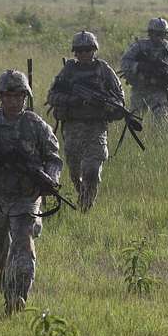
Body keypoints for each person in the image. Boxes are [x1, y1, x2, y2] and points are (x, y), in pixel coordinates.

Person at [0, 70, 62, 315]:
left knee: (24, 247)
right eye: (8, 95)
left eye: (19, 96)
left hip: (26, 197)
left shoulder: (36, 125)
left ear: (25, 97)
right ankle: (6, 286)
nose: (14, 100)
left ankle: (18, 299)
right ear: (0, 97)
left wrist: (50, 179)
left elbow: (54, 159)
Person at [46, 30, 125, 212]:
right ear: (75, 52)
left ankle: (86, 207)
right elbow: (52, 96)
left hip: (96, 128)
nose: (83, 54)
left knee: (92, 171)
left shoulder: (103, 70)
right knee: (75, 173)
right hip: (73, 128)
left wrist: (107, 105)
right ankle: (83, 195)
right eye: (79, 50)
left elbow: (120, 99)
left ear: (94, 50)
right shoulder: (68, 71)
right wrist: (72, 100)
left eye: (87, 50)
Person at [120, 17, 168, 124]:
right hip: (140, 89)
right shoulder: (140, 46)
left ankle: (160, 140)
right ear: (150, 33)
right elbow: (124, 63)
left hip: (159, 90)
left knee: (162, 122)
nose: (160, 37)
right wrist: (139, 66)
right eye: (157, 34)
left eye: (163, 34)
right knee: (133, 122)